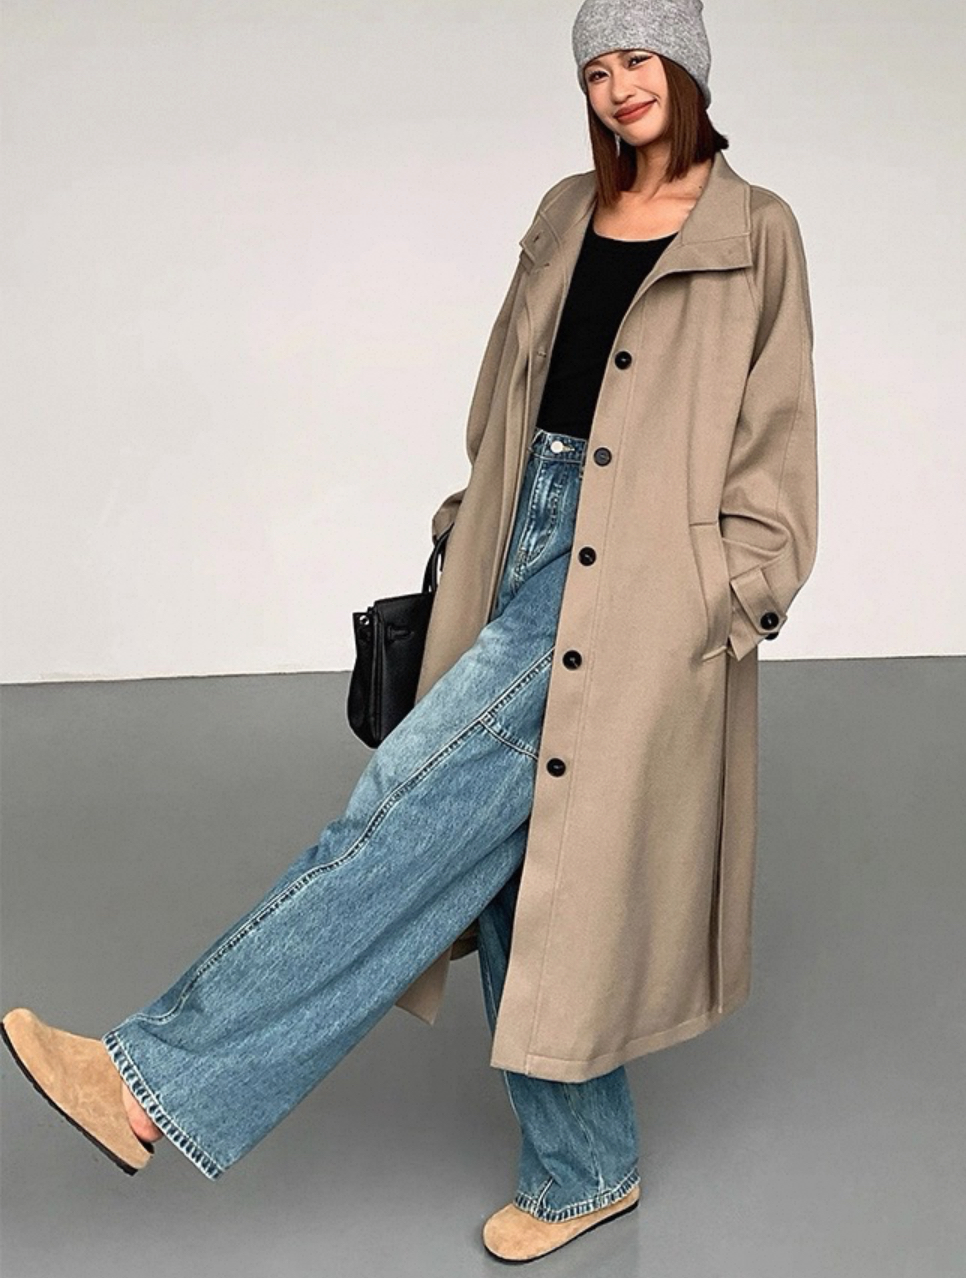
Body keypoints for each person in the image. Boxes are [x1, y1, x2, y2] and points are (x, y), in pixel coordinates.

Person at [2, 0, 818, 1263]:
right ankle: (585, 1169)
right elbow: (509, 386)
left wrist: (727, 598)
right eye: (597, 69)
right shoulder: (564, 210)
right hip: (520, 536)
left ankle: (149, 1081)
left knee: (401, 811)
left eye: (639, 61)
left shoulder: (755, 231)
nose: (618, 88)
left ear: (687, 68)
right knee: (517, 868)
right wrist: (466, 525)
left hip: (643, 578)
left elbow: (777, 441)